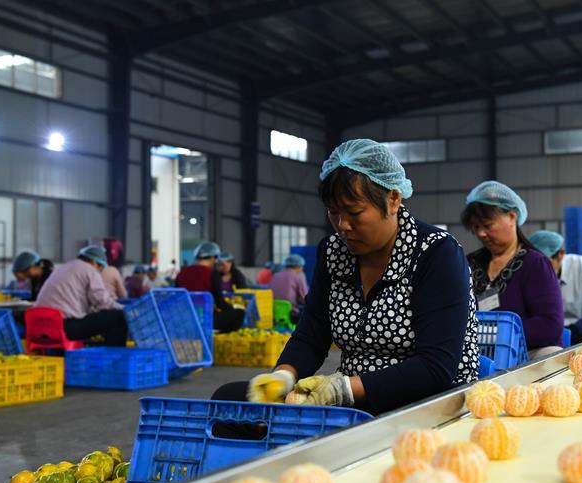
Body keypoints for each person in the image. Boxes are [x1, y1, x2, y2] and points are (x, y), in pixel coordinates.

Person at [217, 139, 480, 415]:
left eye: (354, 212)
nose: (343, 225)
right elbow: (311, 335)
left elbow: (435, 366)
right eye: (334, 212)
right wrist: (284, 374)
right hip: (352, 399)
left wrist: (343, 390)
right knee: (229, 401)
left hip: (425, 401)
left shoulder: (436, 253)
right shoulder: (333, 253)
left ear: (393, 199)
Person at [461, 181, 563, 359]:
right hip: (476, 354)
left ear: (512, 217)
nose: (481, 234)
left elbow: (550, 325)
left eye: (487, 225)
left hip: (524, 353)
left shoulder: (535, 264)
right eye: (476, 227)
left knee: (551, 355)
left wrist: (498, 336)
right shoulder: (469, 263)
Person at [34, 246, 127, 346]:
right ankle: (113, 358)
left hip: (38, 327)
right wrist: (125, 309)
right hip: (63, 327)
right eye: (100, 268)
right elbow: (102, 302)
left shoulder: (62, 268)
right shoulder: (90, 270)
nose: (99, 271)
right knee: (119, 317)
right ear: (94, 262)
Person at [176, 242, 246, 333]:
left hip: (184, 320)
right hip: (205, 320)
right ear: (213, 258)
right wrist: (233, 308)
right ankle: (217, 338)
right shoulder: (212, 274)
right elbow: (220, 303)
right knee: (239, 313)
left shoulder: (181, 274)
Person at [270, 254, 309, 321]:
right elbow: (305, 298)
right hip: (291, 314)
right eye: (302, 266)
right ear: (298, 266)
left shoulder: (275, 276)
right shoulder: (299, 276)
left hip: (274, 312)